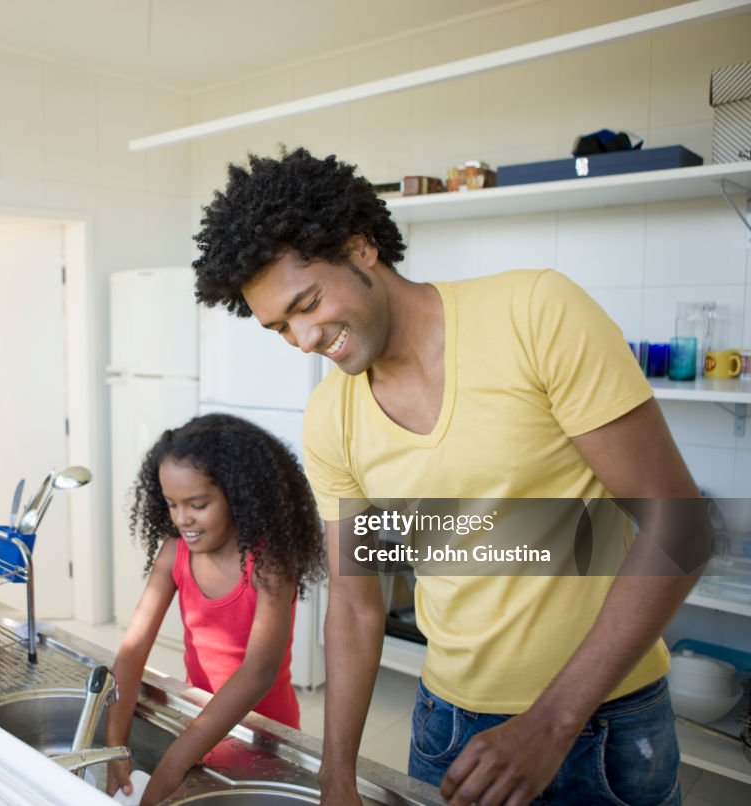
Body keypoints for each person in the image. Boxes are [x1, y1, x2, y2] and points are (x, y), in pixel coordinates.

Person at [191, 148, 707, 805]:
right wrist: (336, 772)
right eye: (279, 327)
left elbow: (680, 525)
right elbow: (354, 603)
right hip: (448, 728)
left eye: (308, 303)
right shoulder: (332, 416)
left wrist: (550, 723)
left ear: (361, 248)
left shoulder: (535, 313)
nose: (304, 338)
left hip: (604, 722)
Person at [105, 412, 326, 804]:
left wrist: (173, 762)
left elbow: (258, 671)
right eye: (171, 504)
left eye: (198, 504)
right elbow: (133, 649)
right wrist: (115, 746)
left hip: (264, 739)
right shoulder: (174, 552)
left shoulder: (269, 562)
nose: (182, 519)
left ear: (238, 496)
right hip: (199, 728)